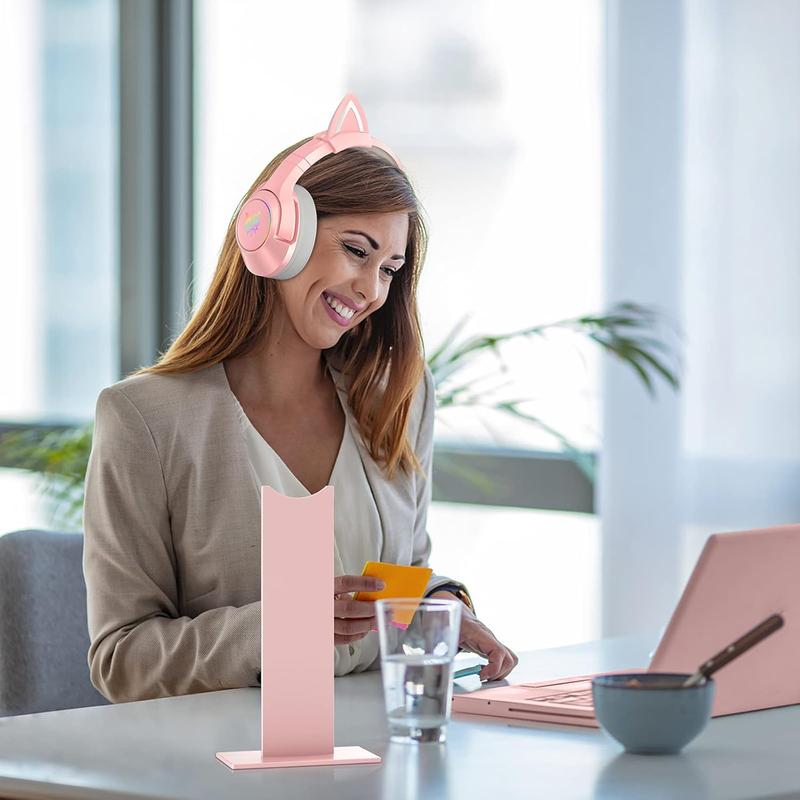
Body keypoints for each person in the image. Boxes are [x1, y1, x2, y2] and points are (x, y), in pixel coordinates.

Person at [82, 97, 518, 703]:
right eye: (356, 251)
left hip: (381, 752)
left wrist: (433, 603)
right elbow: (120, 659)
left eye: (390, 269)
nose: (370, 290)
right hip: (224, 767)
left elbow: (393, 578)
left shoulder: (397, 397)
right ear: (277, 236)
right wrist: (277, 628)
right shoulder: (146, 420)